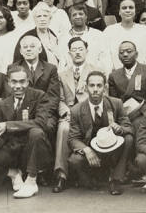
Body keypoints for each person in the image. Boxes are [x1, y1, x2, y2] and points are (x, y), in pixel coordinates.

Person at [0, 65, 52, 199]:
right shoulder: (2, 104)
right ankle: (14, 173)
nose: (18, 86)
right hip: (12, 151)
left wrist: (8, 125)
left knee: (36, 132)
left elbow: (41, 122)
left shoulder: (39, 96)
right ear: (9, 83)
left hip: (32, 150)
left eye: (22, 81)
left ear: (28, 82)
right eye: (14, 82)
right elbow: (1, 137)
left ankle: (31, 181)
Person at [52, 37, 105, 193]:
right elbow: (59, 100)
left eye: (80, 49)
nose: (77, 52)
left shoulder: (97, 71)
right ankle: (62, 175)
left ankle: (92, 175)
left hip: (90, 113)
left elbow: (102, 96)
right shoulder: (61, 75)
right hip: (69, 114)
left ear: (87, 51)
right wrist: (67, 111)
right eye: (74, 50)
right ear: (69, 53)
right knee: (63, 129)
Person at [68, 71, 133, 196]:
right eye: (92, 86)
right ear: (86, 87)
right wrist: (86, 150)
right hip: (91, 151)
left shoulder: (116, 103)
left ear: (105, 87)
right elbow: (72, 139)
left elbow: (129, 128)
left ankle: (115, 179)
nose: (95, 89)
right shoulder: (76, 110)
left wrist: (120, 129)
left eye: (99, 85)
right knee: (75, 159)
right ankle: (92, 178)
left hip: (112, 150)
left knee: (128, 139)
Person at [108, 41, 146, 133]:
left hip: (145, 113)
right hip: (124, 116)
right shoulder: (113, 76)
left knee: (138, 124)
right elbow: (114, 102)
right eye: (121, 52)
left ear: (136, 54)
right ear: (118, 57)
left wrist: (140, 112)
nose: (125, 54)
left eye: (129, 51)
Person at [103, 0, 146, 71]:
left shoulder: (145, 30)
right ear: (119, 12)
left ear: (135, 11)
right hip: (117, 77)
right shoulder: (109, 31)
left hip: (141, 76)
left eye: (131, 7)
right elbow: (106, 58)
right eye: (124, 8)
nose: (128, 10)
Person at [58, 5, 114, 75]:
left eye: (81, 14)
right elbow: (62, 62)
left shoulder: (99, 35)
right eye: (74, 15)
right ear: (70, 18)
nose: (78, 17)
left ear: (86, 17)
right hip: (71, 78)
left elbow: (105, 60)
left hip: (94, 78)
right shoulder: (63, 38)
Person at [13, 3, 67, 69]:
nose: (42, 19)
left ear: (50, 19)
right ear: (34, 19)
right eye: (39, 16)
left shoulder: (54, 36)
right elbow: (17, 62)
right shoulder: (28, 36)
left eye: (45, 16)